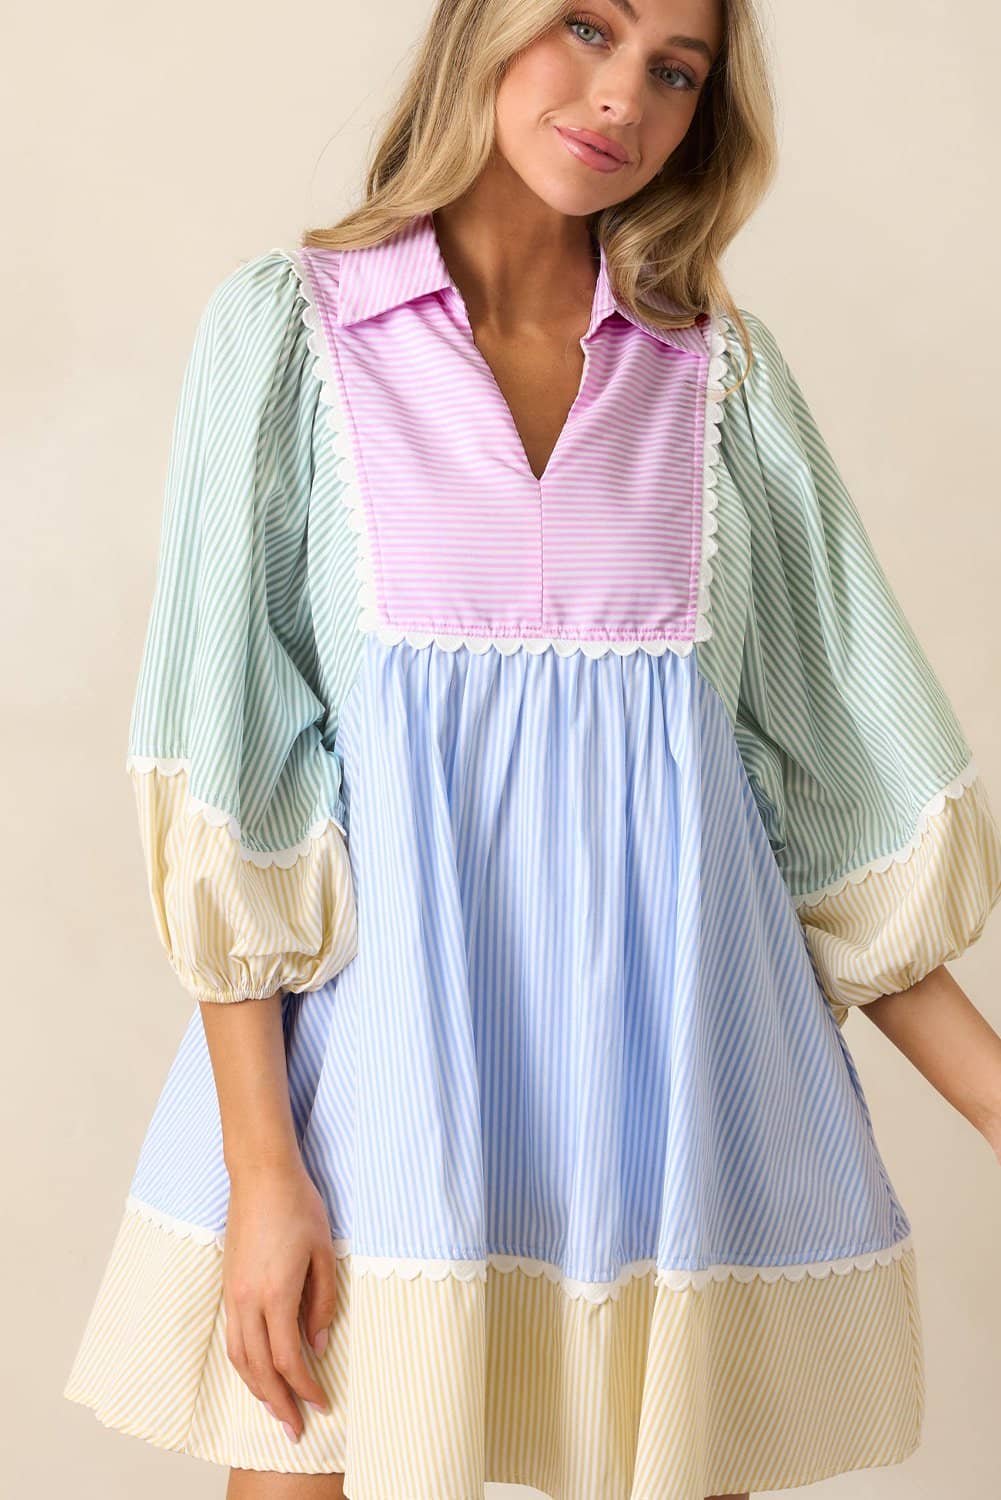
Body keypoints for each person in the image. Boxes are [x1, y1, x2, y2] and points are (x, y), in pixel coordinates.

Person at [63, 0, 1001, 1496]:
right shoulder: (293, 336)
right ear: (483, 30)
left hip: (669, 1107)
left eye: (675, 70)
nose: (623, 94)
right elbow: (231, 776)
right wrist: (263, 1172)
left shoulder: (719, 380)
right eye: (584, 26)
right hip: (377, 1096)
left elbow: (829, 826)